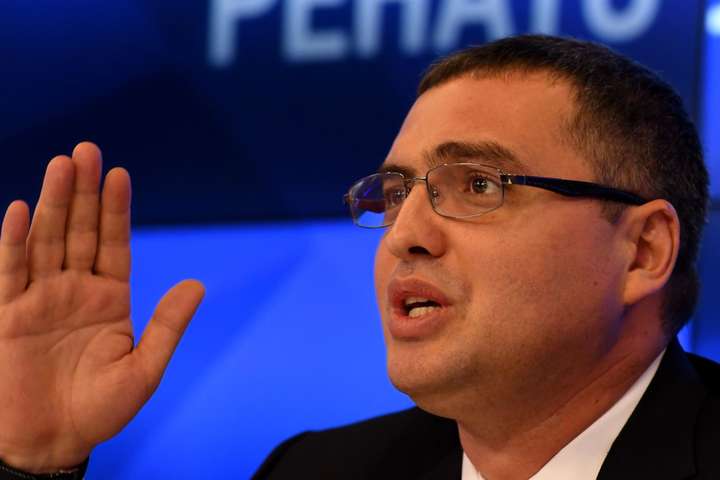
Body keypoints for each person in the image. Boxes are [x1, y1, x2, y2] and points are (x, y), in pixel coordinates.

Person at [0, 34, 717, 480]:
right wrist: (39, 462)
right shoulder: (317, 471)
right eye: (396, 193)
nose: (404, 234)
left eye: (478, 185)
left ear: (642, 251)